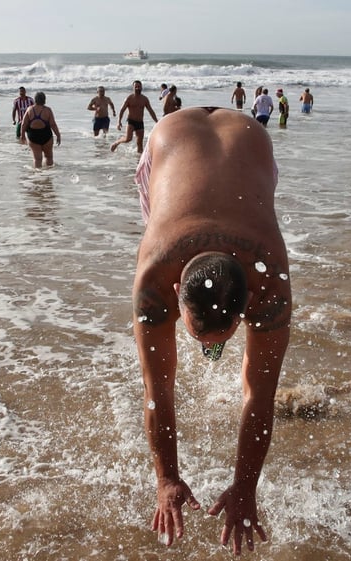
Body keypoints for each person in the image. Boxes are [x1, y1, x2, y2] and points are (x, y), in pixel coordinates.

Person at [132, 107, 291, 556]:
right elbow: (156, 389)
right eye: (202, 340)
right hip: (170, 139)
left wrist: (246, 487)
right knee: (157, 366)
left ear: (248, 308)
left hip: (252, 140)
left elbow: (260, 395)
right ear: (176, 290)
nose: (208, 350)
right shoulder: (154, 278)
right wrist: (165, 478)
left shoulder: (272, 285)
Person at [111, 80, 159, 153]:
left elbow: (151, 111)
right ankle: (117, 142)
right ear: (133, 88)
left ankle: (138, 161)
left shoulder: (144, 99)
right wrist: (119, 122)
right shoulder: (129, 98)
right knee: (128, 138)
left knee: (140, 144)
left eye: (139, 86)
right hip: (131, 121)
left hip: (140, 122)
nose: (137, 88)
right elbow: (122, 110)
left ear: (141, 87)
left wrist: (157, 122)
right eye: (136, 87)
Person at [20, 91, 61, 167]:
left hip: (33, 136)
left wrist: (22, 135)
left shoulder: (29, 109)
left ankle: (38, 176)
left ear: (35, 100)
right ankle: (49, 175)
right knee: (49, 157)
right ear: (44, 100)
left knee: (37, 159)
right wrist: (58, 135)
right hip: (46, 136)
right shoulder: (47, 110)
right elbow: (53, 124)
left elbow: (23, 124)